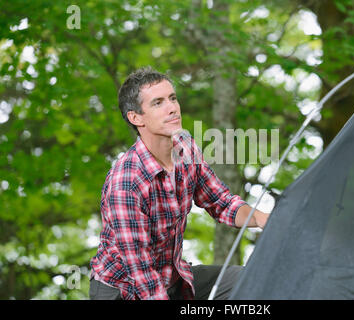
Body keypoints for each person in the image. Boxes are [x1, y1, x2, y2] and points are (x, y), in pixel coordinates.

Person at [89, 67, 269, 300]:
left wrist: (261, 218)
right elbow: (142, 276)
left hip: (172, 277)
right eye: (158, 103)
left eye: (172, 98)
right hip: (125, 290)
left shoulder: (185, 147)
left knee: (253, 280)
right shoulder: (126, 182)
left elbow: (220, 201)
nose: (172, 107)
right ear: (136, 118)